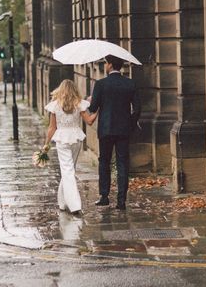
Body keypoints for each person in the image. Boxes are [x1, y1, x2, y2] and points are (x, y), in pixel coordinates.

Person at [88, 55, 141, 211]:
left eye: (106, 64)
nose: (105, 66)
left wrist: (91, 99)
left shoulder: (101, 84)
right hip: (123, 130)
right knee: (122, 163)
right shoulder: (130, 84)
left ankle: (104, 197)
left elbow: (92, 108)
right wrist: (130, 124)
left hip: (105, 129)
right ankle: (121, 200)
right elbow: (137, 109)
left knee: (104, 162)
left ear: (110, 65)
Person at [44, 80, 98, 215]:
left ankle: (74, 205)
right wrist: (97, 110)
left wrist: (46, 143)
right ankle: (62, 202)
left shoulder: (55, 106)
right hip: (76, 138)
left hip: (62, 139)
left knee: (67, 171)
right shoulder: (78, 104)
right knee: (69, 170)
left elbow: (52, 127)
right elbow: (90, 121)